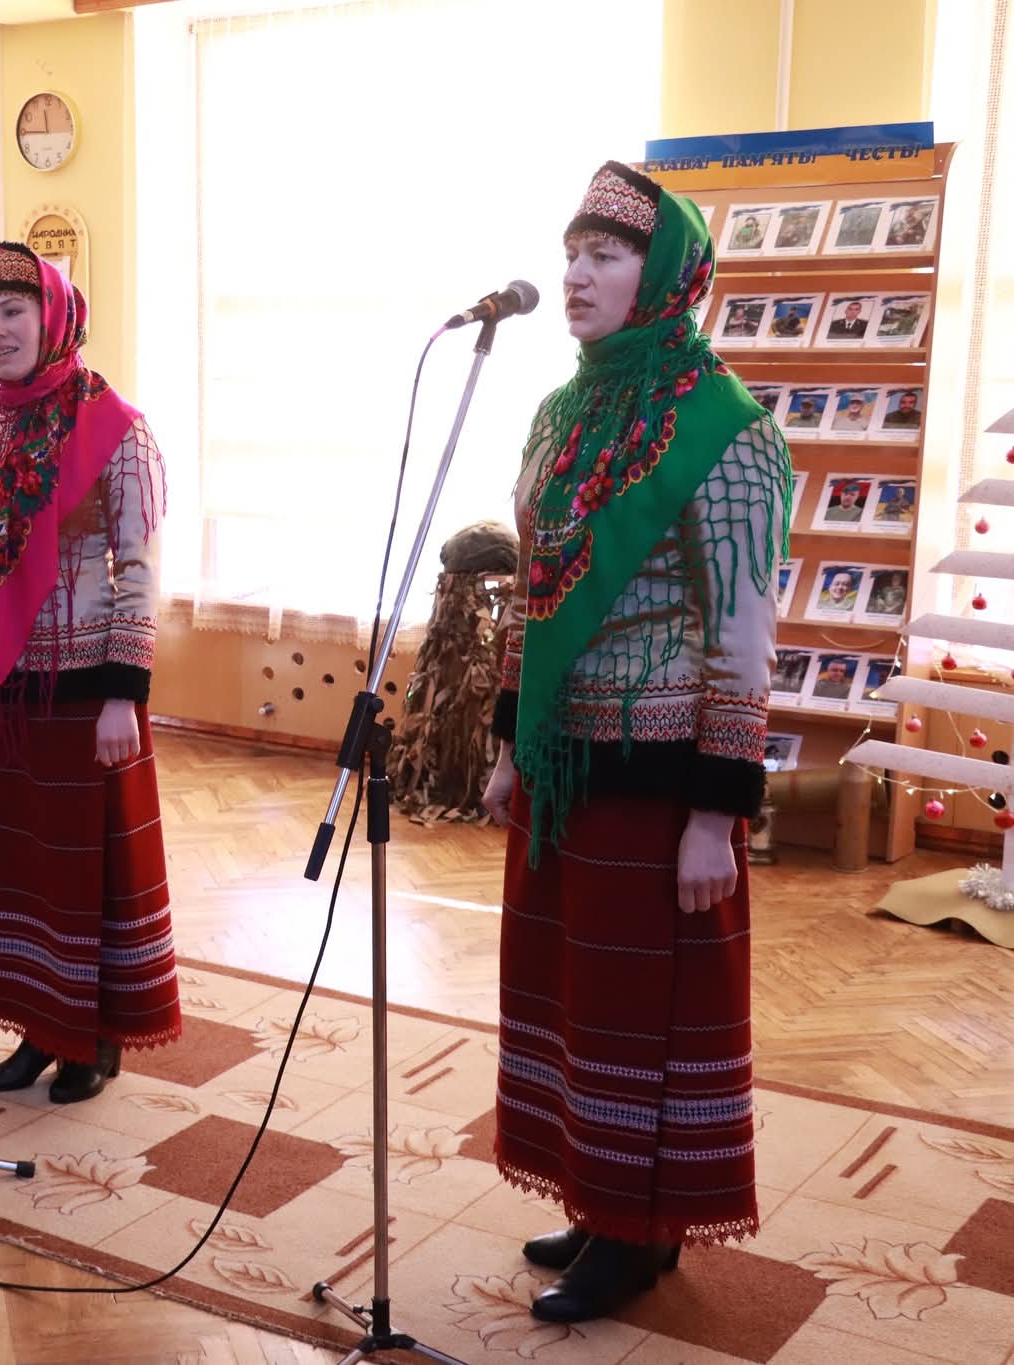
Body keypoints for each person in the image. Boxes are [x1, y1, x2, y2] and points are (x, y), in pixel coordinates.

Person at [479, 162, 791, 1324]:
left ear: (661, 278)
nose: (573, 274)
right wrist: (508, 745)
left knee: (636, 1006)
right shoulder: (559, 414)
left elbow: (743, 635)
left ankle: (637, 1226)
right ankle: (600, 1201)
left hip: (659, 779)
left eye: (603, 256)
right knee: (569, 995)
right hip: (563, 766)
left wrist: (714, 814)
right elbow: (533, 595)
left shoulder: (728, 433)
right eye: (569, 252)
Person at [0, 242, 179, 1104]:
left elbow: (138, 567)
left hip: (86, 690)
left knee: (82, 871)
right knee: (20, 863)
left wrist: (123, 696)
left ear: (55, 316)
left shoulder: (118, 427)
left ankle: (91, 1037)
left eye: (13, 311)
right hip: (2, 690)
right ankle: (38, 1025)